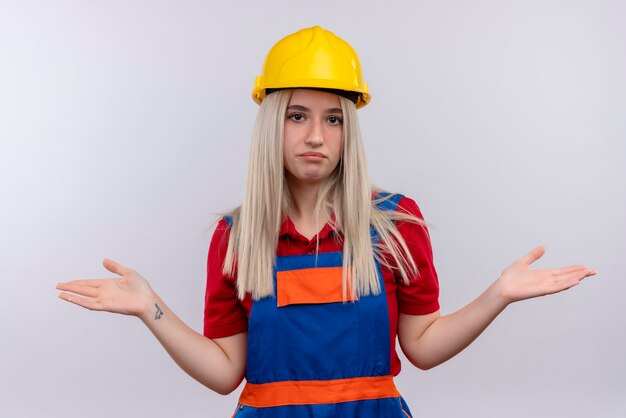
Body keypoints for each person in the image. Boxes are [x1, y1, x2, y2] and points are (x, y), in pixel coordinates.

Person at [56, 26, 596, 417]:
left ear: (348, 130)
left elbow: (424, 348)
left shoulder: (394, 224)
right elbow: (224, 373)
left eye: (333, 118)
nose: (316, 135)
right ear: (272, 123)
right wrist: (151, 308)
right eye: (298, 116)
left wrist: (496, 295)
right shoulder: (236, 238)